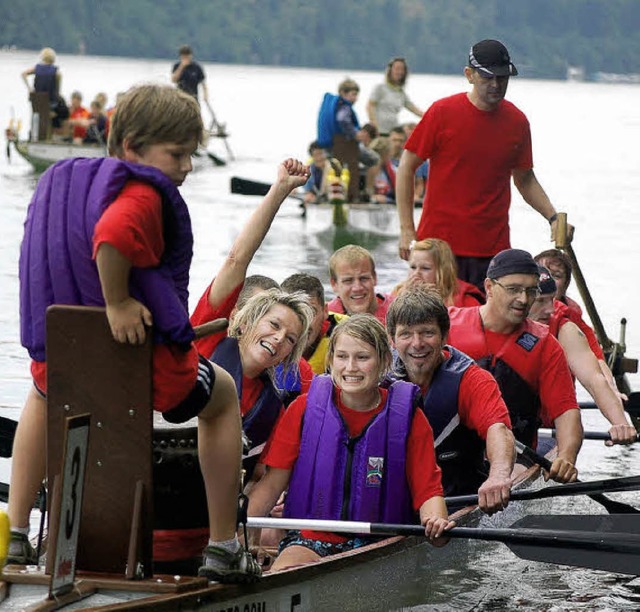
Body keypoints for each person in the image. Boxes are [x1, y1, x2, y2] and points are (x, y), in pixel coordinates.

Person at [12, 84, 264, 582]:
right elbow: (113, 237)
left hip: (68, 359)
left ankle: (17, 534)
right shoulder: (143, 194)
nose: (188, 166)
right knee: (224, 396)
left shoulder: (64, 182)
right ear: (132, 149)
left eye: (191, 154)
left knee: (42, 393)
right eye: (178, 154)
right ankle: (222, 546)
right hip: (142, 366)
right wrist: (119, 302)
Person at [247, 314, 453, 571]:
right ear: (331, 360)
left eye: (363, 357)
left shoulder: (409, 418)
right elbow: (270, 485)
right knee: (284, 570)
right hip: (310, 541)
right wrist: (239, 539)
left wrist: (435, 521)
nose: (350, 367)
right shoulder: (303, 409)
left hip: (380, 544)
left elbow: (428, 491)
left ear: (384, 362)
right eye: (342, 357)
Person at [396, 40, 572, 291]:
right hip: (440, 247)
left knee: (487, 323)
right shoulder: (442, 112)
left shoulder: (517, 122)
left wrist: (552, 217)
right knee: (435, 322)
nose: (496, 85)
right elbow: (406, 167)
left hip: (493, 248)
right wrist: (406, 230)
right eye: (488, 77)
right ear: (469, 75)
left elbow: (525, 178)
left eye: (503, 78)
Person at [446, 249, 583, 483]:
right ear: (489, 287)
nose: (523, 299)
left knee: (513, 472)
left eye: (531, 291)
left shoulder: (545, 345)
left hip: (516, 458)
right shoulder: (448, 326)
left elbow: (566, 411)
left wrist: (566, 457)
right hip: (447, 452)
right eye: (514, 289)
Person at [386, 287, 514, 512]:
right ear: (392, 340)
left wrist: (499, 476)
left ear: (444, 336)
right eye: (406, 334)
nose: (417, 343)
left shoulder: (472, 379)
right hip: (395, 502)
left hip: (455, 499)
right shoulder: (377, 376)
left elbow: (499, 429)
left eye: (427, 333)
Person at [529, 267, 637, 445]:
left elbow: (595, 377)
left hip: (547, 426)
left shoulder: (565, 324)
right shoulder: (484, 321)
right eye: (540, 301)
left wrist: (620, 423)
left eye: (552, 300)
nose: (550, 310)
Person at [281, 272, 348, 375]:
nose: (303, 323)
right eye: (294, 311)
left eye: (310, 312)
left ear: (325, 311)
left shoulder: (350, 336)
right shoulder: (266, 340)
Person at [393, 238, 485, 307]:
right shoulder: (398, 293)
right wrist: (405, 298)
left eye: (425, 268)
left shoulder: (467, 301)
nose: (416, 273)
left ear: (444, 271)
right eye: (413, 267)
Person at [316, 78, 362, 202]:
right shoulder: (344, 107)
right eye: (353, 94)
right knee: (355, 166)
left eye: (356, 95)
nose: (355, 98)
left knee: (331, 168)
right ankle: (353, 197)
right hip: (342, 143)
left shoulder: (334, 104)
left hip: (330, 144)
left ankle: (324, 194)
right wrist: (355, 134)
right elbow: (342, 119)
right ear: (343, 93)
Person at [326, 244, 394, 323]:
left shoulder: (397, 311)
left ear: (374, 278)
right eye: (348, 280)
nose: (357, 288)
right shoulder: (324, 317)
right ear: (334, 284)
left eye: (363, 278)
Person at [367, 57, 423, 136]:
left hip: (392, 132)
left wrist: (430, 116)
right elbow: (370, 106)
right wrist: (374, 126)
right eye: (397, 68)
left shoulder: (401, 93)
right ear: (390, 70)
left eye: (402, 69)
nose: (399, 72)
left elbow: (414, 109)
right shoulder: (380, 88)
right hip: (379, 132)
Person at [21, 47, 62, 140]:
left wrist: (30, 88)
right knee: (58, 112)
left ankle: (34, 136)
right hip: (50, 102)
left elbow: (23, 74)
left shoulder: (36, 68)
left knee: (36, 115)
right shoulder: (56, 72)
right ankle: (50, 136)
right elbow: (58, 91)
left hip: (37, 100)